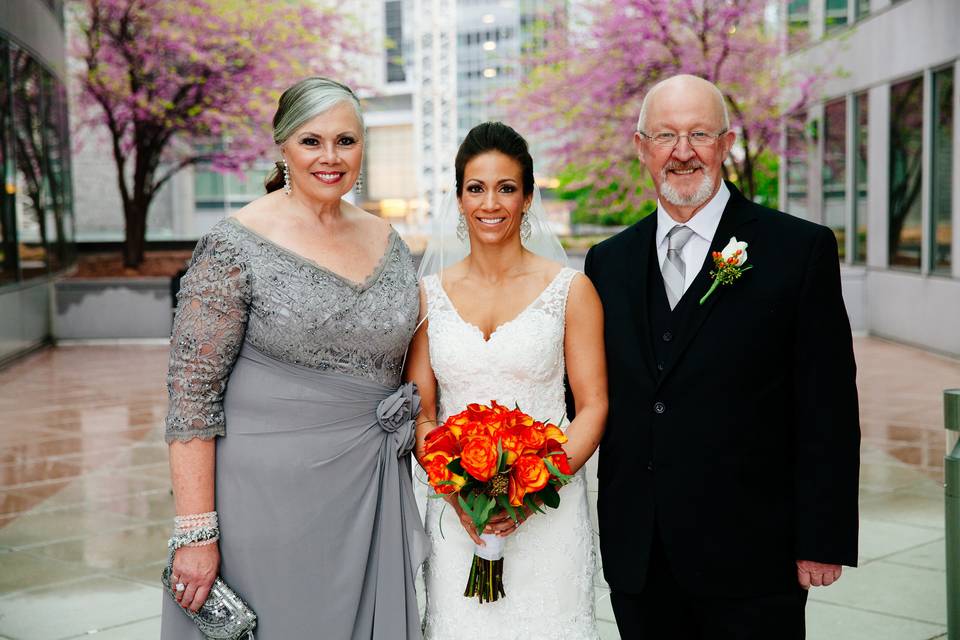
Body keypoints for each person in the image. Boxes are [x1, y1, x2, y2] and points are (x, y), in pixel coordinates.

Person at [585, 74, 861, 639]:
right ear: (642, 148)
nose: (682, 152)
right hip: (641, 556)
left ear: (727, 143)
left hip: (754, 558)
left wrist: (822, 538)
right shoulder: (605, 263)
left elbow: (827, 408)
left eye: (699, 134)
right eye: (665, 135)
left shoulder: (798, 250)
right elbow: (589, 395)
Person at [160, 77, 428, 639]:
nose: (330, 158)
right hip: (265, 507)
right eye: (312, 141)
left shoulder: (390, 241)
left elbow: (416, 366)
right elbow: (191, 396)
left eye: (346, 141)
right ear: (281, 146)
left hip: (372, 492)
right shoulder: (233, 244)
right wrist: (195, 533)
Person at [406, 121, 608, 639]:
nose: (490, 203)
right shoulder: (427, 296)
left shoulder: (570, 290)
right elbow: (423, 413)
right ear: (458, 198)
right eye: (476, 188)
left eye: (506, 188)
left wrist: (533, 491)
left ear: (528, 197)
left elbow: (593, 407)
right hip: (458, 519)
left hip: (549, 516)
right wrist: (458, 496)